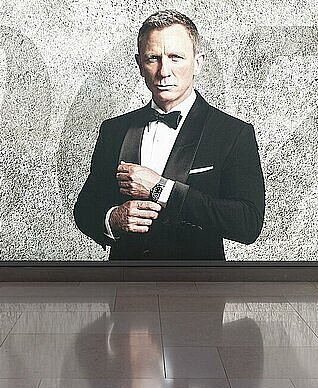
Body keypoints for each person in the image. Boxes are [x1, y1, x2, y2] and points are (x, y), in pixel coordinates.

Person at [74, 10, 265, 260]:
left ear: (197, 63)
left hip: (198, 287)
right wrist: (114, 219)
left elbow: (247, 223)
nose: (164, 71)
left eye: (175, 57)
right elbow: (86, 209)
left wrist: (161, 189)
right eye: (153, 58)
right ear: (139, 64)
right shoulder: (114, 130)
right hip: (125, 286)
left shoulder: (233, 133)